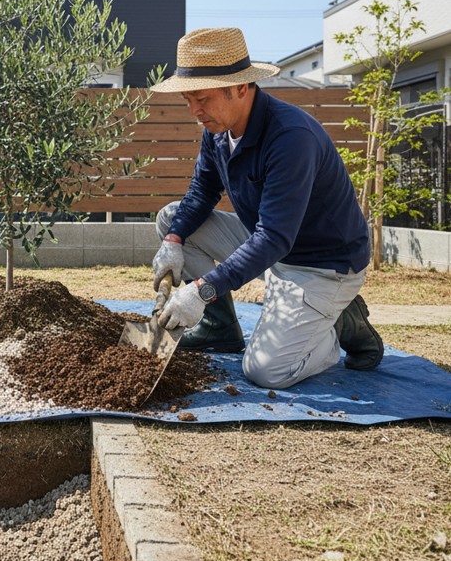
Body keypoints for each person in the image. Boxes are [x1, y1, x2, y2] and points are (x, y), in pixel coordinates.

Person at [148, 27, 384, 390]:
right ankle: (219, 327)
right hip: (272, 245)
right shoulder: (217, 130)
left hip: (321, 265)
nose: (195, 111)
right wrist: (175, 239)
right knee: (172, 218)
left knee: (264, 371)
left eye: (202, 99)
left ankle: (337, 322)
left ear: (240, 87)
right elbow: (201, 192)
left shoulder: (291, 138)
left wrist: (201, 290)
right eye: (188, 100)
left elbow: (275, 236)